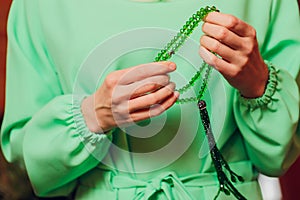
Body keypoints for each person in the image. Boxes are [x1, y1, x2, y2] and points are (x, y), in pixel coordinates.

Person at [1, 0, 299, 199]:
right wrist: (92, 115)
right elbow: (30, 163)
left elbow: (278, 157)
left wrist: (258, 81)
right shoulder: (39, 7)